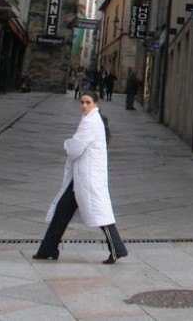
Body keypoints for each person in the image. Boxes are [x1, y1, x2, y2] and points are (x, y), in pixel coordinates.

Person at [33, 91, 128, 264]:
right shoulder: (91, 120)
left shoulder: (91, 122)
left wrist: (67, 144)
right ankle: (48, 249)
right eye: (82, 102)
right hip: (81, 177)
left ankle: (117, 248)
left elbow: (76, 148)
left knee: (101, 214)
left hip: (88, 178)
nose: (84, 105)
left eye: (88, 102)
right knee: (62, 212)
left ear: (95, 103)